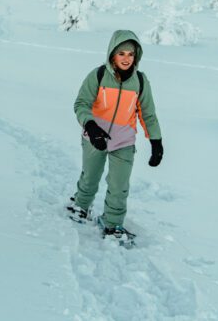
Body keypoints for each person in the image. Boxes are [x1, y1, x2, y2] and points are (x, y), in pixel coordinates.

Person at [67, 29, 163, 243]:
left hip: (123, 140)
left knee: (119, 185)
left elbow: (147, 113)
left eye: (130, 54)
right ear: (112, 54)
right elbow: (81, 104)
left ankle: (112, 223)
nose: (126, 59)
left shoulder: (140, 81)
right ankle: (81, 205)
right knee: (90, 176)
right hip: (95, 136)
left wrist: (156, 141)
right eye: (122, 54)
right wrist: (90, 126)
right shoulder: (98, 75)